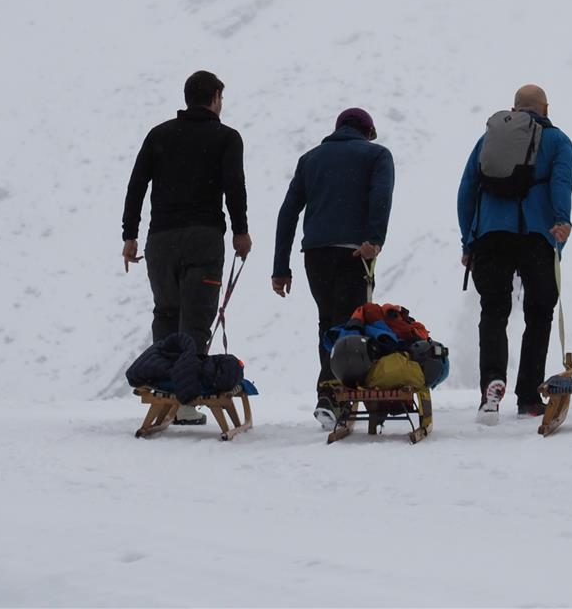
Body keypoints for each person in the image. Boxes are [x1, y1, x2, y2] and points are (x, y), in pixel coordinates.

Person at [270, 107, 395, 424]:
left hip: (315, 253)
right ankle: (335, 396)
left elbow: (288, 213)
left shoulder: (310, 159)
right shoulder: (377, 155)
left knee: (328, 322)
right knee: (350, 324)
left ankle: (332, 393)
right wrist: (374, 240)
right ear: (367, 132)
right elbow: (381, 196)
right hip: (355, 251)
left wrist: (280, 267)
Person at [456, 84, 572, 421]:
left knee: (493, 310)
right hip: (536, 237)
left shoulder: (487, 140)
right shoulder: (558, 141)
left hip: (491, 236)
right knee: (539, 313)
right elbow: (560, 183)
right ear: (545, 109)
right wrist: (561, 225)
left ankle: (491, 385)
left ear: (514, 108)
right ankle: (529, 397)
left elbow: (466, 189)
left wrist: (469, 242)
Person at [122, 70, 252, 366]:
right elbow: (234, 186)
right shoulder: (227, 138)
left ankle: (166, 390)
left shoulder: (159, 134)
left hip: (160, 240)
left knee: (166, 315)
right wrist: (240, 231)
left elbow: (136, 186)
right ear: (215, 98)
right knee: (196, 318)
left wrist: (130, 236)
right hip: (203, 239)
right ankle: (186, 404)